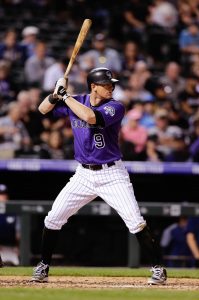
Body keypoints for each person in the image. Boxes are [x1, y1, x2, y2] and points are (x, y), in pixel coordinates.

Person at [31, 67, 167, 285]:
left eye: (112, 84)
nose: (111, 87)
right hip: (83, 174)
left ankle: (158, 268)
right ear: (93, 86)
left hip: (112, 174)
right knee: (53, 218)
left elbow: (91, 117)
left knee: (135, 222)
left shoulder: (116, 106)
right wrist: (55, 94)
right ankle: (43, 265)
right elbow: (42, 109)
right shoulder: (77, 100)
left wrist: (65, 97)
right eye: (106, 84)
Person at [0, 184, 20, 266]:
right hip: (0, 248)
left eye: (3, 194)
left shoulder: (13, 211)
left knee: (16, 263)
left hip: (12, 248)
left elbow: (19, 234)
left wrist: (18, 247)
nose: (2, 196)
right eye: (0, 194)